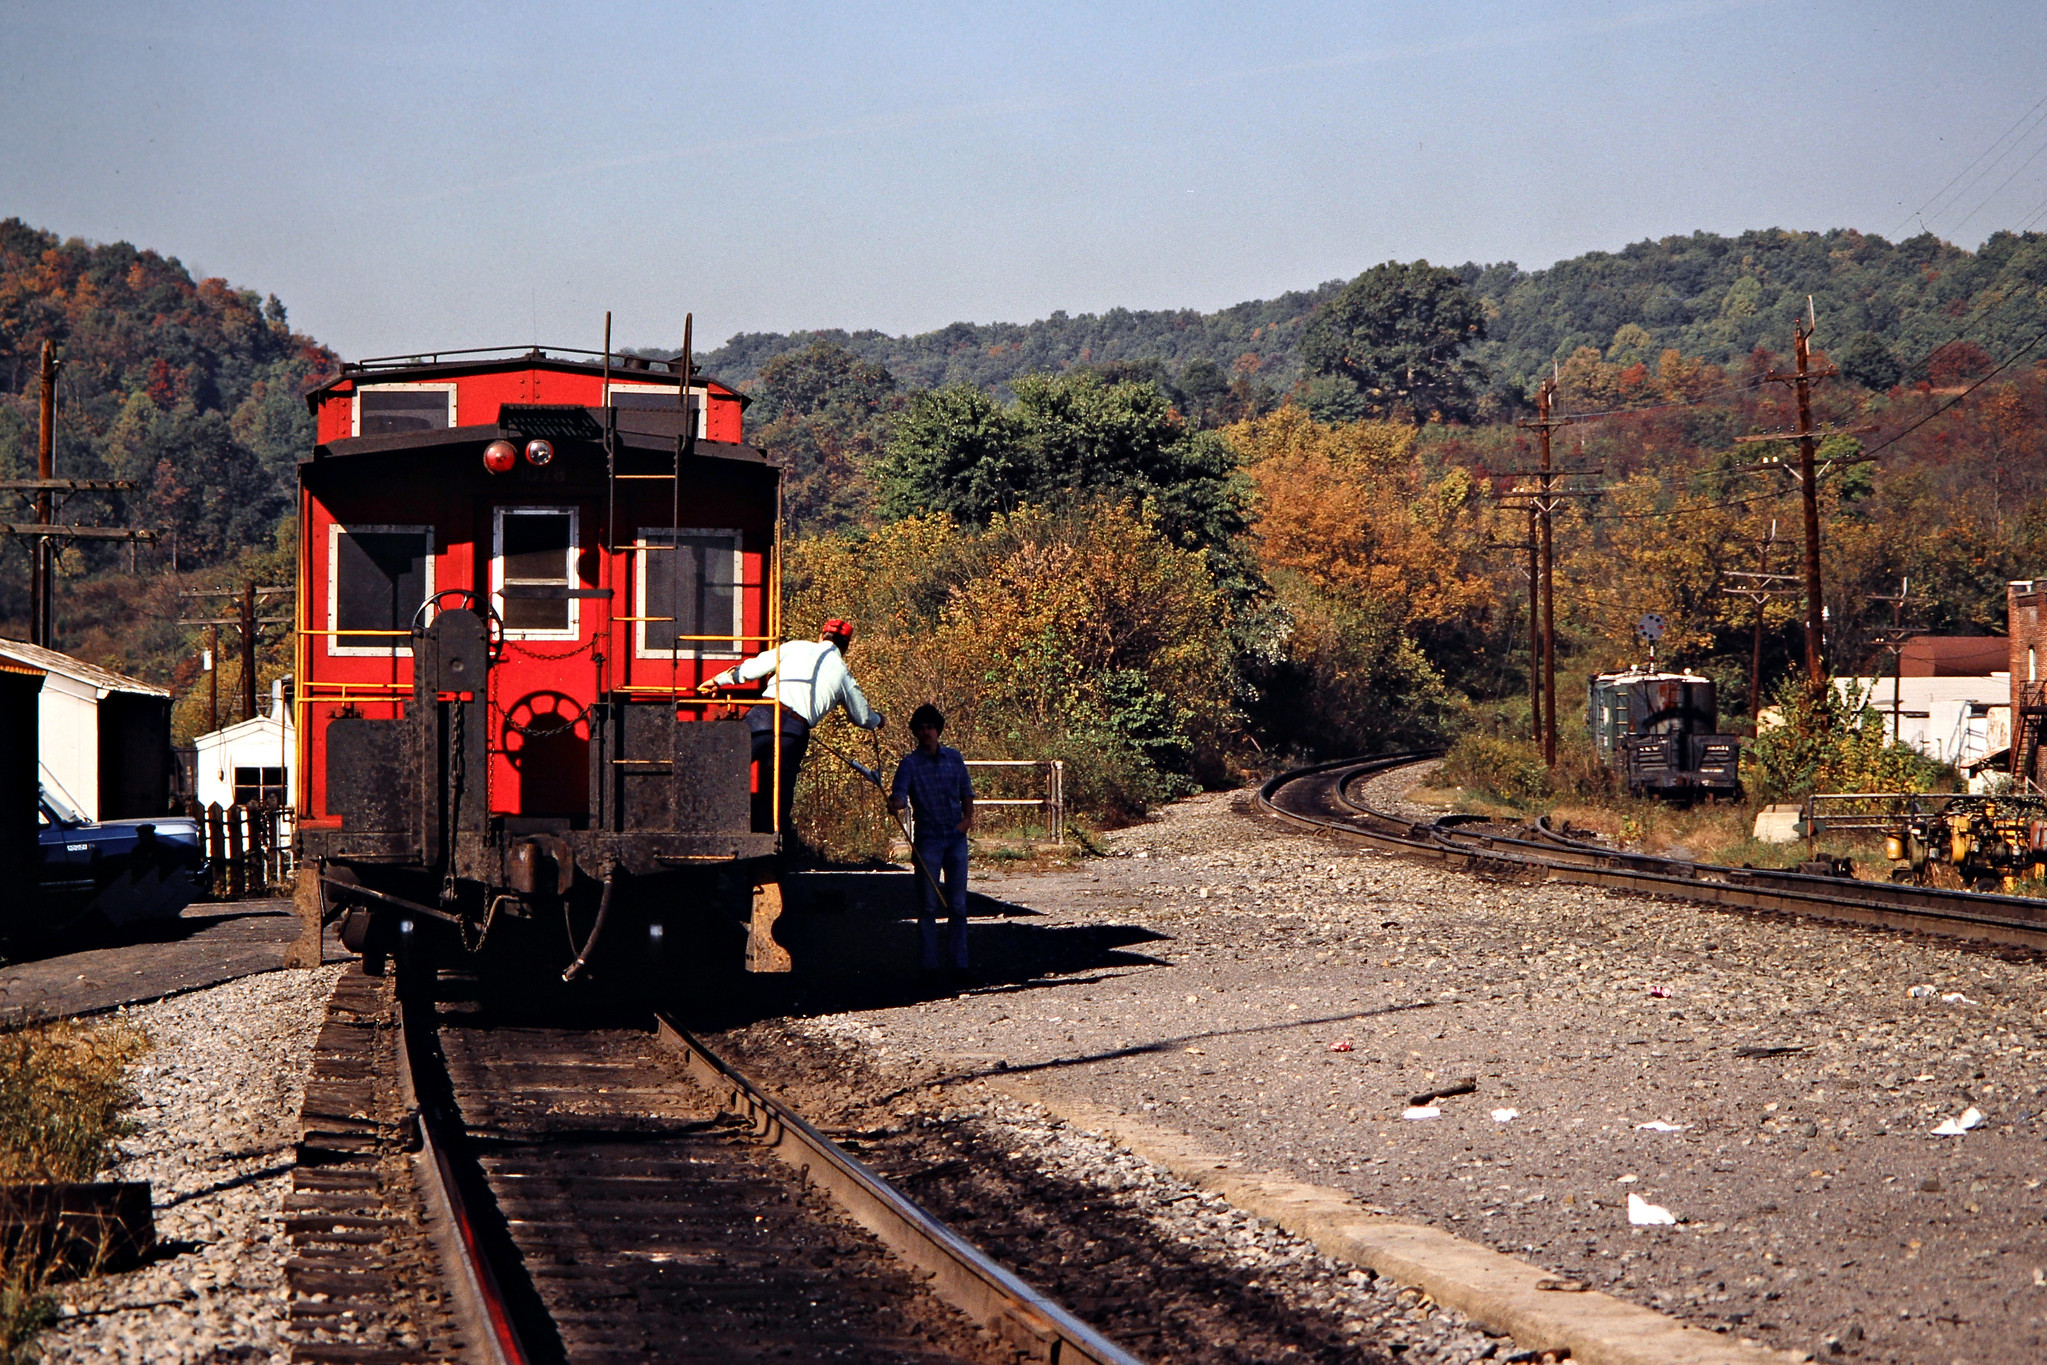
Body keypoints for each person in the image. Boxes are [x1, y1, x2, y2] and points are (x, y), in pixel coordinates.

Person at [699, 618, 883, 839]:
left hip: (763, 715)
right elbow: (863, 717)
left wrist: (718, 681)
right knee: (777, 798)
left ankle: (700, 817)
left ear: (821, 636)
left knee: (720, 767)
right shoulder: (843, 674)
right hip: (794, 733)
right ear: (845, 646)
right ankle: (769, 856)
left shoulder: (794, 647)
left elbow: (752, 669)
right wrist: (878, 720)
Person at [888, 704, 975, 977]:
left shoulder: (954, 758)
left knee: (958, 904)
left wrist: (968, 819)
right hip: (928, 840)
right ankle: (929, 964)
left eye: (930, 727)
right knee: (928, 904)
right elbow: (900, 796)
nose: (926, 732)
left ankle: (959, 962)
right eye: (921, 728)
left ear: (938, 730)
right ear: (916, 732)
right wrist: (895, 803)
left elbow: (966, 791)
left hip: (955, 837)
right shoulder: (909, 764)